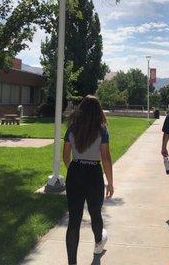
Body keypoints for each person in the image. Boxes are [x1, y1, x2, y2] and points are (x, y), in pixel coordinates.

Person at [63, 95, 114, 265]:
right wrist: (110, 182)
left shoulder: (72, 129)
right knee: (95, 213)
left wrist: (73, 170)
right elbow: (106, 157)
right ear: (98, 110)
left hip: (75, 171)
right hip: (93, 173)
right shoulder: (102, 130)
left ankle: (72, 262)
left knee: (74, 220)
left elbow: (65, 155)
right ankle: (99, 242)